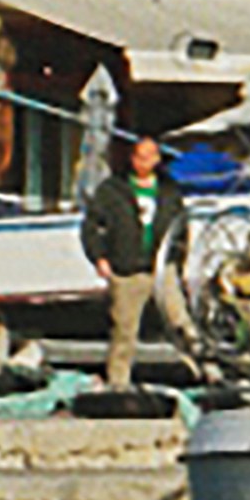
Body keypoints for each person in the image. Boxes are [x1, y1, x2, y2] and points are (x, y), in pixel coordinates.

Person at [82, 133, 184, 390]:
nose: (144, 162)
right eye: (140, 156)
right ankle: (118, 381)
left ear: (158, 159)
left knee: (180, 321)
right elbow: (91, 226)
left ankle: (203, 370)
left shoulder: (169, 191)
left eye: (150, 157)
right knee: (124, 329)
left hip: (161, 268)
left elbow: (181, 228)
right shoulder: (112, 190)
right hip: (127, 269)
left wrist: (177, 261)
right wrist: (99, 258)